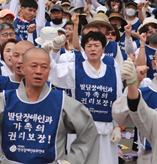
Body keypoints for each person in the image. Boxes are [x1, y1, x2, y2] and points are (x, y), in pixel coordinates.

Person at [0, 48, 100, 164]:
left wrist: (72, 160)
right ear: (23, 67)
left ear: (49, 70)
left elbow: (89, 130)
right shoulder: (5, 99)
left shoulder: (62, 102)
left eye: (44, 67)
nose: (39, 71)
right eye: (33, 66)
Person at [45, 31, 122, 164]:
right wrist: (53, 52)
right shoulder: (74, 69)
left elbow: (118, 99)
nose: (92, 48)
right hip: (79, 130)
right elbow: (54, 73)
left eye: (96, 45)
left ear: (103, 49)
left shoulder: (113, 71)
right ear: (83, 49)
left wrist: (118, 126)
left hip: (106, 131)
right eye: (89, 45)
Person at [113, 45, 157, 164]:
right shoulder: (142, 93)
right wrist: (133, 84)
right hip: (149, 156)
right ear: (154, 64)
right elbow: (120, 115)